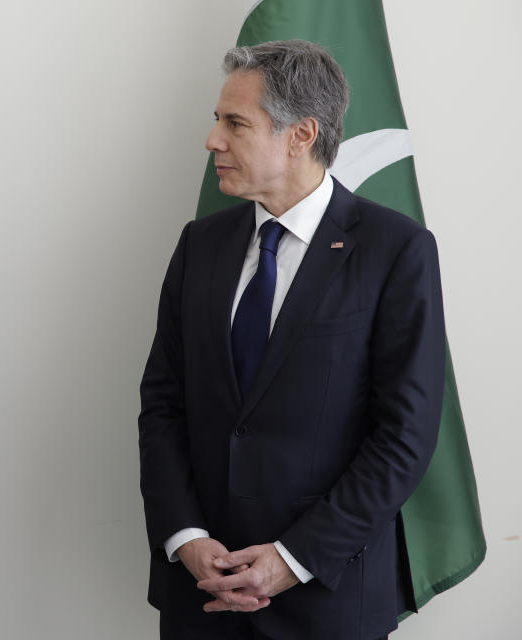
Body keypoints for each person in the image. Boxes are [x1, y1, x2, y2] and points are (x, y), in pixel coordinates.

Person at [138, 40, 445, 640]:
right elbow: (163, 404)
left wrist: (292, 558)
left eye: (235, 124)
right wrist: (186, 536)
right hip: (201, 594)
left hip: (326, 600)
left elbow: (404, 436)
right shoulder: (200, 245)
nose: (213, 141)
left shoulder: (396, 251)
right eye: (216, 120)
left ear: (300, 135)